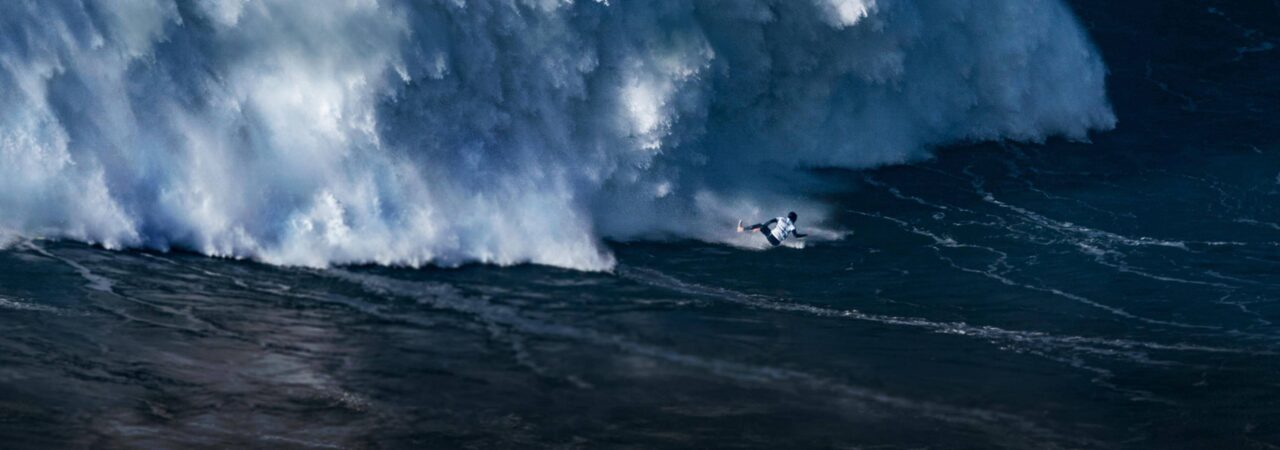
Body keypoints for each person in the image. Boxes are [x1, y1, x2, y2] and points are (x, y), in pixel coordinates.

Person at [737, 211, 807, 246]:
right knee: (764, 229)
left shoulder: (781, 218)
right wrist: (805, 235)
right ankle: (757, 230)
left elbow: (769, 222)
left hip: (770, 237)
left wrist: (761, 227)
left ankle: (741, 229)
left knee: (760, 225)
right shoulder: (792, 226)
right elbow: (796, 236)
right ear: (794, 219)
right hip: (776, 243)